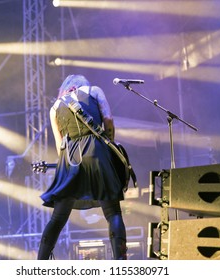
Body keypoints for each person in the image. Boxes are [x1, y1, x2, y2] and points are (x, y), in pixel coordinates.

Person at [38, 74, 127, 260]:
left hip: (70, 159)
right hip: (98, 152)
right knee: (112, 212)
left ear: (65, 88)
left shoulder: (55, 107)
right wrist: (109, 145)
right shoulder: (94, 91)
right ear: (82, 85)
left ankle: (41, 262)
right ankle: (120, 262)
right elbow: (108, 120)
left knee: (58, 218)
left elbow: (59, 144)